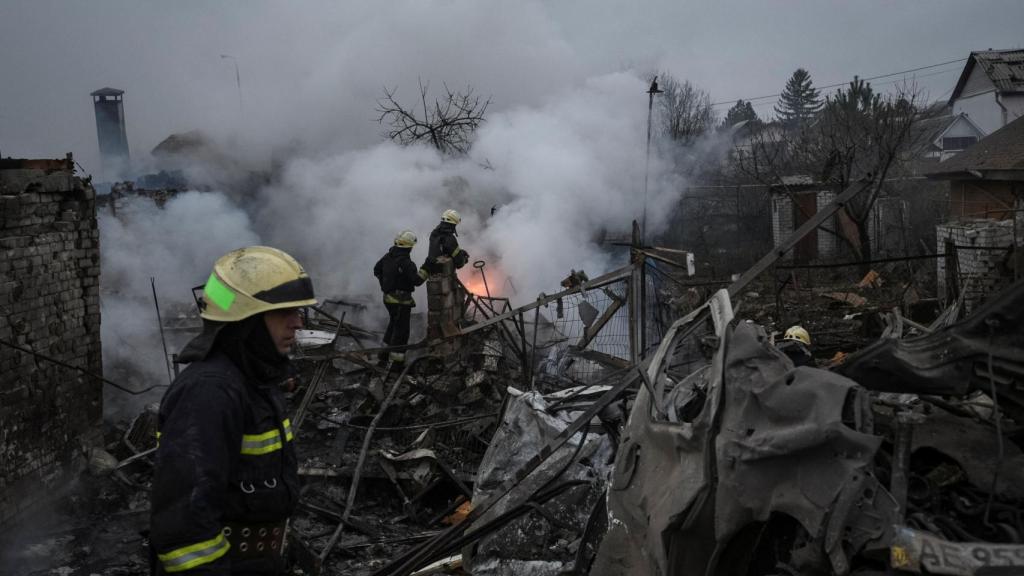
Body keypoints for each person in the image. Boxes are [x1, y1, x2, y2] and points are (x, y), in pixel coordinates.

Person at [150, 246, 316, 575]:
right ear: (247, 322)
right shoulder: (210, 392)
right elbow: (185, 528)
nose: (298, 322)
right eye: (285, 312)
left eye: (298, 311)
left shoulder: (252, 380)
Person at [374, 230, 426, 365]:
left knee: (393, 325)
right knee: (402, 332)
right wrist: (427, 268)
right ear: (408, 247)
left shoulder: (388, 256)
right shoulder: (406, 263)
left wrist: (386, 285)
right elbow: (417, 281)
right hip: (400, 302)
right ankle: (396, 364)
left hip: (388, 299)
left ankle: (383, 356)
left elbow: (376, 270)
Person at [420, 208, 469, 275]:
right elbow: (459, 263)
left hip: (432, 274)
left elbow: (443, 250)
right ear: (452, 224)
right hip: (445, 277)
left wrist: (460, 252)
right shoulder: (449, 238)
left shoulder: (434, 234)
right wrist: (464, 258)